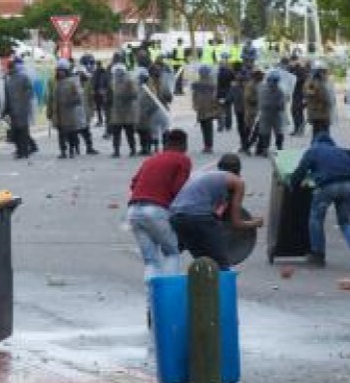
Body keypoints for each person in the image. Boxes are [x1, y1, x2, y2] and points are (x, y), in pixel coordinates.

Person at [288, 132, 350, 271]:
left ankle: (318, 254)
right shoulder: (347, 153)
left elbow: (300, 172)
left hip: (327, 187)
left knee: (316, 218)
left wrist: (292, 187)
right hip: (349, 186)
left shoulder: (313, 151)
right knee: (345, 222)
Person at [169, 153, 264, 269]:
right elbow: (236, 222)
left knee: (203, 262)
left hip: (175, 216)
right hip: (197, 217)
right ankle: (224, 284)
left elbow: (216, 214)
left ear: (219, 167)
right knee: (222, 263)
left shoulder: (207, 176)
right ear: (239, 170)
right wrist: (255, 223)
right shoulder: (237, 182)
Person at [128, 129, 193, 283]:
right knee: (171, 252)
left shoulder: (151, 159)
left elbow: (134, 184)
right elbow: (179, 190)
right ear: (183, 144)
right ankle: (170, 298)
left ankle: (152, 302)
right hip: (155, 210)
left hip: (133, 211)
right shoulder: (182, 159)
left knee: (151, 261)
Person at [47, 59, 90, 159]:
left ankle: (72, 148)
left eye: (62, 70)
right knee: (61, 133)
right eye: (58, 70)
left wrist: (70, 102)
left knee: (71, 132)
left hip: (70, 113)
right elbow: (51, 98)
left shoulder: (72, 82)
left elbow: (78, 98)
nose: (60, 72)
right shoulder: (55, 83)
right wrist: (49, 111)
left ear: (66, 71)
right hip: (58, 112)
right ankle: (63, 151)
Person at [3, 58, 35, 159]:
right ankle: (21, 151)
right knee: (17, 132)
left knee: (22, 131)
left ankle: (24, 151)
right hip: (14, 109)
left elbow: (29, 91)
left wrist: (24, 102)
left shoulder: (22, 78)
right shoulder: (8, 80)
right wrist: (6, 109)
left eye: (10, 68)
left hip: (22, 109)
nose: (9, 70)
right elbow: (7, 96)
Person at [108, 63, 140, 158]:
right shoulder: (113, 82)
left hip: (128, 111)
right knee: (116, 133)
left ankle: (133, 149)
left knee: (129, 133)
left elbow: (135, 94)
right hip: (117, 111)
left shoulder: (129, 81)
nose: (117, 74)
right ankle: (116, 150)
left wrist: (125, 97)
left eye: (119, 72)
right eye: (116, 72)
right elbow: (111, 96)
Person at [255, 69, 286, 155]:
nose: (273, 84)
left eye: (275, 81)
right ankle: (266, 148)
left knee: (277, 132)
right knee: (266, 132)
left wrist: (280, 105)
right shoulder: (263, 89)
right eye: (272, 81)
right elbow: (262, 103)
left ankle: (278, 147)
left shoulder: (279, 91)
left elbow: (282, 105)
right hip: (267, 114)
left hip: (275, 114)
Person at [192, 64, 220, 154]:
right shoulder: (201, 83)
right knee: (205, 128)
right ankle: (207, 145)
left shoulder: (211, 84)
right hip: (203, 109)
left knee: (207, 128)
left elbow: (215, 97)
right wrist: (195, 105)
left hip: (207, 109)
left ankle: (208, 146)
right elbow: (195, 95)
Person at [303, 62, 333, 137]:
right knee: (324, 136)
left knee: (315, 134)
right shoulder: (320, 85)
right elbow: (325, 99)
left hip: (314, 114)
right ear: (320, 73)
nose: (327, 75)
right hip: (322, 114)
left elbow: (307, 95)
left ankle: (314, 147)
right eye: (325, 72)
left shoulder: (309, 83)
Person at [242, 69, 264, 154]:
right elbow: (248, 97)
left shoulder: (259, 85)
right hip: (251, 112)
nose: (262, 77)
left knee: (258, 130)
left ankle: (258, 148)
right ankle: (247, 146)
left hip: (258, 111)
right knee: (250, 130)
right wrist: (259, 99)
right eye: (261, 76)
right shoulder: (251, 85)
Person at [288, 56, 308, 136]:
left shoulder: (301, 69)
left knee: (298, 111)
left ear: (296, 61)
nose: (291, 63)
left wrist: (294, 79)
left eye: (292, 61)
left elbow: (302, 80)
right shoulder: (291, 69)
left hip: (301, 94)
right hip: (295, 93)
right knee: (294, 111)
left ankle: (300, 130)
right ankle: (297, 129)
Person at [216, 57, 235, 132]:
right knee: (228, 110)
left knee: (220, 110)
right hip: (228, 93)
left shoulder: (217, 73)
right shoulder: (230, 72)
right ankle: (228, 126)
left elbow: (215, 84)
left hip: (220, 94)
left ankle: (220, 126)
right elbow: (234, 80)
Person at [91, 61, 109, 127]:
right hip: (99, 92)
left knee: (103, 107)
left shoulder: (101, 72)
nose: (97, 66)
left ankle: (103, 120)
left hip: (101, 92)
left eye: (98, 65)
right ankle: (101, 120)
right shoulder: (98, 72)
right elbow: (93, 82)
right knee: (100, 108)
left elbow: (93, 82)